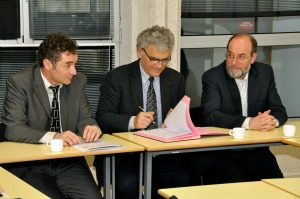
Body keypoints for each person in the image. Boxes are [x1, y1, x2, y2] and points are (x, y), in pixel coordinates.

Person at [2, 32, 103, 199]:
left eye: (75, 64)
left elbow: (86, 117)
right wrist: (54, 136)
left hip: (69, 161)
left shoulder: (78, 82)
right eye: (68, 65)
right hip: (32, 163)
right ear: (48, 64)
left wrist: (90, 127)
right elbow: (12, 129)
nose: (74, 71)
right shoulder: (20, 82)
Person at [94, 25, 190, 199]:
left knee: (181, 179)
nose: (159, 65)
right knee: (128, 184)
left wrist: (175, 119)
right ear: (140, 52)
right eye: (154, 59)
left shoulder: (175, 79)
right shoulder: (117, 78)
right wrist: (133, 122)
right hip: (124, 155)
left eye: (165, 59)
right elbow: (103, 117)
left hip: (162, 153)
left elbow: (184, 117)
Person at [199, 33, 287, 183]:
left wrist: (271, 121)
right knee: (240, 189)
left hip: (256, 151)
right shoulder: (213, 77)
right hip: (223, 152)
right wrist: (249, 123)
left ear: (253, 58)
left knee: (278, 187)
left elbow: (279, 109)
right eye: (230, 55)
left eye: (241, 57)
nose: (233, 62)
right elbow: (211, 115)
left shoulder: (265, 73)